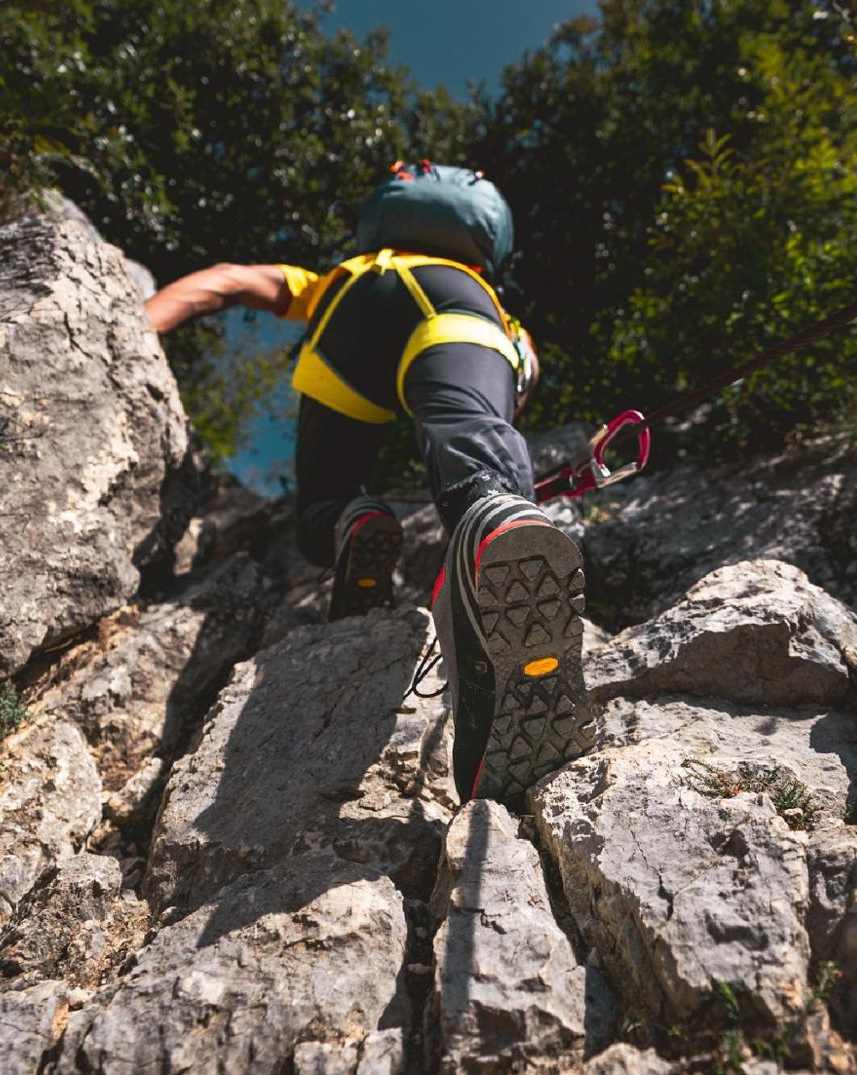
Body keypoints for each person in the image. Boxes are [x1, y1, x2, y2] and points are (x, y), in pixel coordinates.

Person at [144, 160, 594, 807]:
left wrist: (134, 328)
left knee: (325, 488)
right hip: (460, 315)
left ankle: (350, 517)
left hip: (349, 323)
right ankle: (494, 520)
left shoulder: (336, 274)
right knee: (477, 457)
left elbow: (228, 281)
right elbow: (517, 379)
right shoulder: (488, 298)